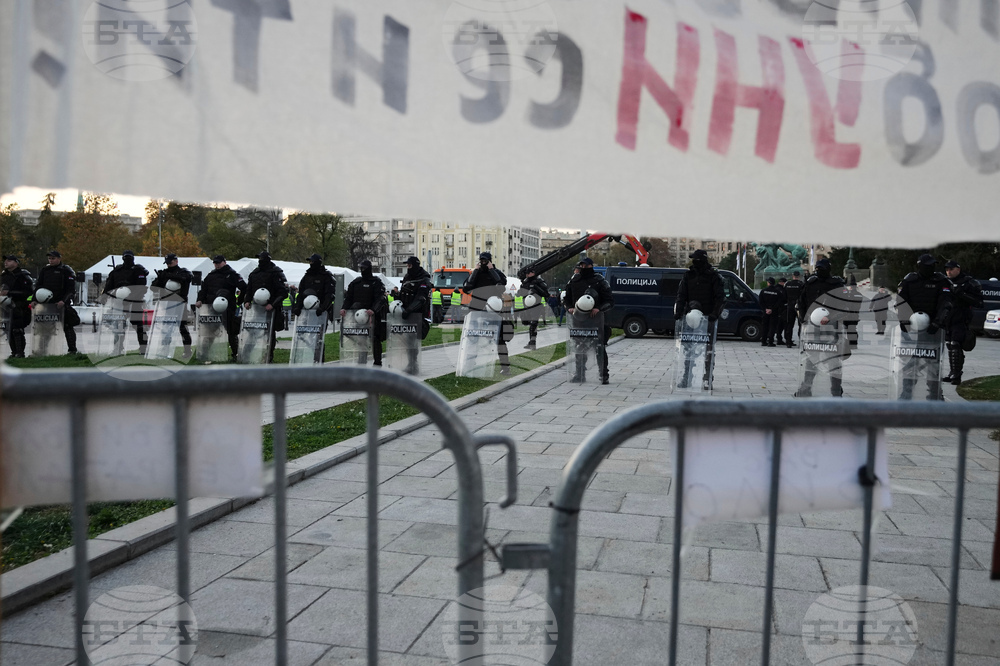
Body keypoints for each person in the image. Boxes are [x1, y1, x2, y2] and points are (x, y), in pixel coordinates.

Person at [896, 254, 952, 400]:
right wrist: (903, 320)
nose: (931, 268)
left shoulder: (940, 281)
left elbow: (946, 304)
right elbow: (901, 301)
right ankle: (906, 395)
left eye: (933, 265)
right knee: (909, 363)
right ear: (920, 265)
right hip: (911, 330)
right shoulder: (910, 280)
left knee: (934, 365)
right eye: (928, 265)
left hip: (933, 331)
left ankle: (934, 395)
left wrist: (938, 322)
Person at [794, 258, 847, 397]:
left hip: (831, 328)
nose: (819, 271)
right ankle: (806, 389)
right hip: (813, 327)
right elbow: (801, 303)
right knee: (812, 360)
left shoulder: (837, 284)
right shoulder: (811, 283)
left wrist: (830, 318)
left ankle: (835, 390)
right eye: (818, 268)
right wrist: (804, 320)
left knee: (832, 361)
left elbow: (845, 307)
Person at [674, 249, 725, 389]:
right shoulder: (688, 275)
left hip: (707, 318)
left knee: (708, 351)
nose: (694, 262)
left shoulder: (713, 276)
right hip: (690, 318)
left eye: (696, 259)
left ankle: (707, 378)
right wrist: (678, 312)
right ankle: (686, 377)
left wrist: (715, 314)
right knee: (688, 349)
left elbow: (720, 298)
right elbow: (681, 295)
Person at [563, 257, 614, 384]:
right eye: (581, 265)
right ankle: (580, 374)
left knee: (599, 348)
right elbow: (566, 298)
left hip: (597, 322)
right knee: (580, 348)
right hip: (579, 321)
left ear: (591, 266)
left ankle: (603, 374)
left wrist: (598, 308)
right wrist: (569, 307)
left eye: (586, 265)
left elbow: (610, 301)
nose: (583, 268)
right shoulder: (574, 280)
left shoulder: (599, 281)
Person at [463, 252, 511, 375]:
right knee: (472, 337)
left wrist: (491, 270)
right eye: (481, 260)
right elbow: (466, 288)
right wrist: (475, 271)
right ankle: (469, 363)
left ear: (490, 261)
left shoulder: (497, 273)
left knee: (500, 339)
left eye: (485, 261)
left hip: (493, 308)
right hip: (477, 307)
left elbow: (501, 287)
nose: (483, 263)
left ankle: (505, 367)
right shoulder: (476, 273)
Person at [196, 255, 247, 361]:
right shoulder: (211, 275)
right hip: (211, 307)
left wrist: (239, 301)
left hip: (227, 307)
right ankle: (204, 354)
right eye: (215, 263)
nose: (217, 265)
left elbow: (244, 287)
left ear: (224, 262)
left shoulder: (232, 274)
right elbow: (203, 289)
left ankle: (236, 354)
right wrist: (200, 299)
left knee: (231, 331)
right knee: (210, 332)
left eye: (219, 263)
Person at [243, 251, 288, 363]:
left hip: (272, 309)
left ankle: (269, 356)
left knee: (270, 334)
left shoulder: (275, 272)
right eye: (259, 259)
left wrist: (272, 304)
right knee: (253, 331)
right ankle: (246, 355)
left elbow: (283, 292)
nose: (260, 261)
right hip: (257, 309)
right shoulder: (255, 273)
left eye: (262, 258)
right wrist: (247, 301)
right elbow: (249, 289)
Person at [942, 259, 982, 386]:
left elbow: (979, 303)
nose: (949, 272)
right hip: (948, 318)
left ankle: (956, 374)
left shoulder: (969, 282)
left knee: (955, 344)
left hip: (961, 317)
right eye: (947, 269)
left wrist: (962, 294)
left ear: (958, 269)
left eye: (951, 269)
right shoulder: (944, 281)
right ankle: (953, 372)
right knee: (949, 344)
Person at [339, 258, 386, 366]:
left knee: (375, 339)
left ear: (369, 268)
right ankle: (361, 361)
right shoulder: (356, 283)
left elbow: (380, 299)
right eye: (361, 268)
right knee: (361, 339)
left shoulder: (376, 282)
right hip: (358, 316)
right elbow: (349, 298)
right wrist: (344, 308)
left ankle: (377, 362)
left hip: (372, 316)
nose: (362, 270)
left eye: (364, 268)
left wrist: (373, 310)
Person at [35, 250, 81, 354]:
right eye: (49, 258)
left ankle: (72, 350)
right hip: (47, 304)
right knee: (45, 328)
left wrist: (64, 301)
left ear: (59, 259)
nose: (51, 260)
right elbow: (38, 286)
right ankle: (42, 350)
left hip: (61, 304)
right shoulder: (45, 270)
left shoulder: (66, 270)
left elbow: (71, 290)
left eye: (53, 258)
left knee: (68, 326)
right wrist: (34, 300)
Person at [150, 253, 193, 359]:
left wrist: (169, 276)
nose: (169, 265)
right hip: (167, 303)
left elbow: (186, 279)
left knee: (182, 327)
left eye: (171, 262)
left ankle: (187, 350)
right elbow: (153, 287)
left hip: (180, 303)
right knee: (166, 328)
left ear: (176, 261)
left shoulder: (183, 272)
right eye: (167, 263)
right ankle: (164, 350)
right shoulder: (164, 273)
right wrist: (159, 279)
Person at [399, 256, 432, 374]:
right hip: (405, 312)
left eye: (409, 265)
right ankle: (410, 363)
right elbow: (403, 292)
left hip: (417, 313)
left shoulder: (424, 277)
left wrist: (409, 310)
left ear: (415, 265)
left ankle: (414, 364)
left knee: (413, 339)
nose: (408, 267)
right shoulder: (407, 277)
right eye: (407, 265)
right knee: (407, 340)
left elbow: (421, 297)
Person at [1, 255, 33, 358]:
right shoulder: (4, 276)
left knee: (17, 330)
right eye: (5, 260)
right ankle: (13, 352)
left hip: (20, 306)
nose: (6, 262)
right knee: (8, 330)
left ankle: (20, 353)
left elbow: (29, 292)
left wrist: (10, 293)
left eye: (9, 260)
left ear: (16, 263)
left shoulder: (23, 275)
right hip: (5, 307)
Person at [518, 268, 549, 350]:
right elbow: (520, 292)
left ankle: (532, 342)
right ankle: (531, 341)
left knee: (533, 323)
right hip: (526, 306)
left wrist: (535, 289)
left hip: (536, 305)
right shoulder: (525, 282)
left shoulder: (539, 281)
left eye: (529, 273)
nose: (528, 275)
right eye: (527, 273)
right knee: (525, 322)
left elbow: (545, 293)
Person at [758, 277, 785, 347]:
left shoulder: (763, 291)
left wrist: (765, 309)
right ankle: (770, 341)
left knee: (765, 326)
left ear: (768, 283)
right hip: (774, 312)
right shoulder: (778, 292)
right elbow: (779, 302)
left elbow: (760, 301)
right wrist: (772, 309)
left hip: (765, 312)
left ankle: (763, 341)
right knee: (772, 327)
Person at [782, 271, 805, 347]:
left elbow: (784, 296)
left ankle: (788, 341)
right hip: (799, 306)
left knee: (789, 324)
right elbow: (803, 296)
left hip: (790, 306)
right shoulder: (801, 284)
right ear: (799, 276)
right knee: (800, 324)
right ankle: (801, 342)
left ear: (792, 276)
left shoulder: (787, 284)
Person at [774, 277, 788, 346]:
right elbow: (783, 299)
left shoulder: (775, 288)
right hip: (781, 309)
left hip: (776, 309)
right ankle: (780, 339)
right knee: (782, 325)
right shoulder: (781, 290)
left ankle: (779, 338)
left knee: (778, 325)